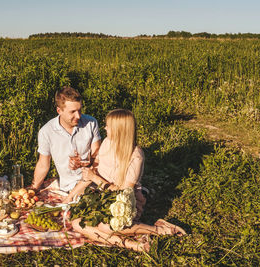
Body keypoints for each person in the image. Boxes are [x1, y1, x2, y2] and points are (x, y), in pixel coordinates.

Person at [66, 109, 186, 252]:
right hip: (102, 198)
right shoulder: (106, 143)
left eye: (108, 126)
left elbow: (124, 192)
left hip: (126, 201)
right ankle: (135, 245)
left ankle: (158, 229)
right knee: (77, 224)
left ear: (119, 130)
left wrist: (95, 179)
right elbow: (91, 175)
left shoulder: (136, 155)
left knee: (105, 226)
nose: (105, 128)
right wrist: (69, 197)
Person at [30, 86, 101, 193]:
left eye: (79, 110)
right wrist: (33, 189)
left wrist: (84, 163)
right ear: (59, 110)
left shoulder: (91, 123)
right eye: (72, 112)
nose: (78, 116)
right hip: (67, 187)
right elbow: (43, 165)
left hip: (92, 183)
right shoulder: (46, 131)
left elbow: (98, 155)